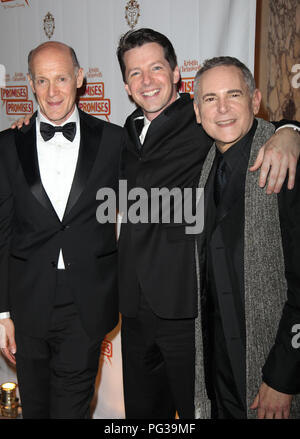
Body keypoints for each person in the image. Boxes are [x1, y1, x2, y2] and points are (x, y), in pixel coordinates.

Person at [116, 28, 300, 418]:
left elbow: (256, 124)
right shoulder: (124, 132)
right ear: (126, 84)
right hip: (137, 312)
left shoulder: (205, 122)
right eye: (135, 73)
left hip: (188, 314)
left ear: (176, 73)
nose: (147, 81)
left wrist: (291, 130)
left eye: (156, 68)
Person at [0, 41, 123, 418]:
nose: (52, 92)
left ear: (80, 78)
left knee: (71, 410)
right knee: (34, 408)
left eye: (62, 78)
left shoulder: (115, 140)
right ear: (31, 85)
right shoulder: (7, 144)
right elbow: (2, 231)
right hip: (26, 304)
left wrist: (287, 130)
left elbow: (172, 137)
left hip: (85, 304)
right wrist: (2, 314)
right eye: (42, 80)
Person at [193, 56, 300, 419]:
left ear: (255, 101)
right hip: (217, 367)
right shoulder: (204, 166)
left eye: (233, 95)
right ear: (197, 111)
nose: (221, 108)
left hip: (269, 369)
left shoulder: (284, 164)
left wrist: (284, 377)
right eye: (209, 99)